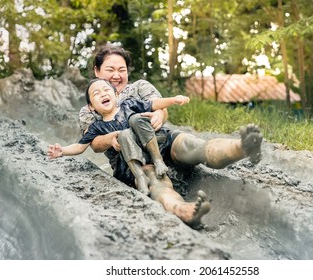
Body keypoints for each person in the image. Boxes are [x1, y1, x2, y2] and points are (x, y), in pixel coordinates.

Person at [78, 43, 263, 227]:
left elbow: (160, 107)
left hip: (160, 140)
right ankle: (184, 210)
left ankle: (243, 147)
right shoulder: (89, 109)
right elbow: (93, 143)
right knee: (155, 181)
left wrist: (160, 114)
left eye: (122, 70)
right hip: (130, 159)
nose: (117, 75)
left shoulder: (139, 87)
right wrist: (110, 138)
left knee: (193, 145)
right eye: (110, 69)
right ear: (97, 70)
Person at [47, 78, 190, 196]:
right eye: (96, 93)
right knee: (124, 134)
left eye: (106, 90)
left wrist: (173, 100)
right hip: (130, 163)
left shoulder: (129, 105)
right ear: (91, 107)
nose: (103, 94)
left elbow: (152, 104)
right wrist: (62, 151)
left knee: (136, 119)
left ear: (116, 95)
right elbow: (80, 146)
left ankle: (158, 161)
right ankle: (140, 177)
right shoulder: (97, 127)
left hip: (151, 147)